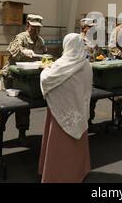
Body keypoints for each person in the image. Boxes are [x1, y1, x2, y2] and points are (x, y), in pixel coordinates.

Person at [38, 33, 92, 183]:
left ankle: (56, 175)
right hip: (79, 112)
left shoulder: (62, 64)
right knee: (76, 145)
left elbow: (48, 79)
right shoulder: (86, 64)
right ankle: (78, 171)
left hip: (61, 112)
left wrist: (45, 69)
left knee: (59, 146)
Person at [0, 14, 47, 146]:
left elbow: (43, 55)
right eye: (33, 27)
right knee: (3, 107)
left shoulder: (40, 40)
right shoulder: (21, 37)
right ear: (27, 25)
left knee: (23, 107)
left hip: (26, 78)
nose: (36, 30)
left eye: (38, 28)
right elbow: (12, 49)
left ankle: (22, 134)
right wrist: (23, 51)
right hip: (11, 76)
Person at [80, 17, 104, 133]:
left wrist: (102, 58)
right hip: (80, 75)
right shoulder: (77, 40)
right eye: (91, 27)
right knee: (80, 100)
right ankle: (80, 124)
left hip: (92, 74)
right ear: (84, 28)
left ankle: (89, 121)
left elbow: (99, 54)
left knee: (92, 99)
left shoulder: (94, 41)